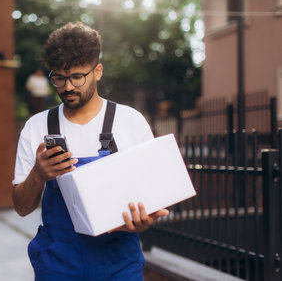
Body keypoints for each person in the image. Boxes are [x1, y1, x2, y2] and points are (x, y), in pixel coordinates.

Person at [12, 22, 169, 280]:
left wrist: (145, 221)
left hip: (120, 266)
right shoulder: (36, 127)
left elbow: (153, 201)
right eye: (59, 78)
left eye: (76, 77)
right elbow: (21, 206)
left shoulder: (130, 122)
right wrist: (39, 174)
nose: (67, 87)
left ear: (97, 71)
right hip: (57, 267)